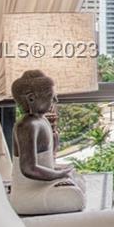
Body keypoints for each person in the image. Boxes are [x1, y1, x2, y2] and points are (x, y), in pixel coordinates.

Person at [8, 69, 86, 214]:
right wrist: (59, 175)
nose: (55, 100)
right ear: (31, 98)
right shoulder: (26, 125)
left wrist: (57, 165)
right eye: (51, 96)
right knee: (74, 197)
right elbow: (29, 169)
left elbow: (46, 162)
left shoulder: (41, 120)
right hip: (28, 193)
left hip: (43, 185)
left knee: (79, 180)